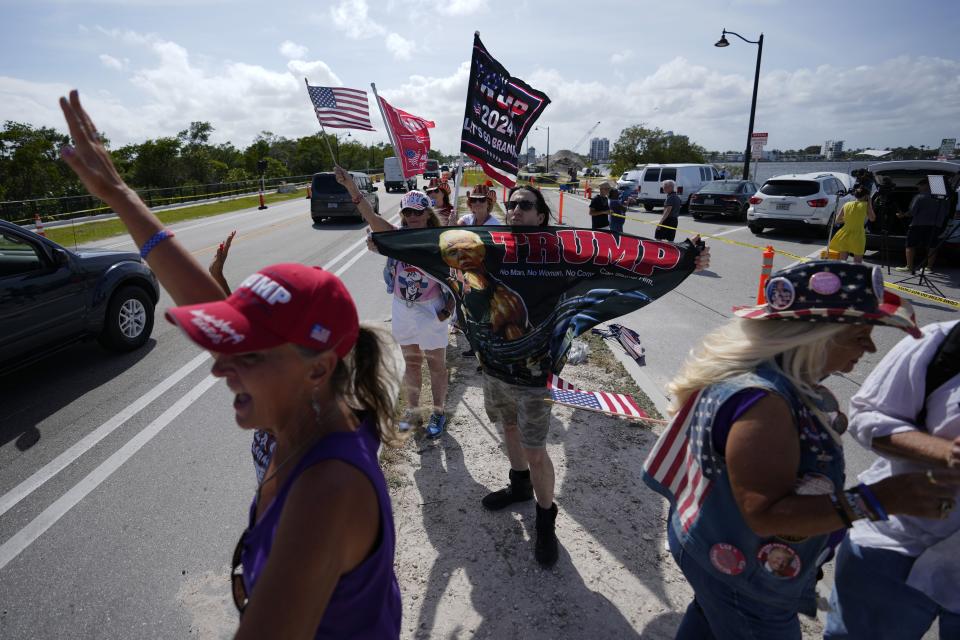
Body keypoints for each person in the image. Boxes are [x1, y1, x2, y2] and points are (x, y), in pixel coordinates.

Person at [58, 90, 402, 638]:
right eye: (231, 346)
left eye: (249, 353)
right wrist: (119, 194)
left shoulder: (326, 492)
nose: (220, 368)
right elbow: (202, 299)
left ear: (317, 368)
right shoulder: (318, 406)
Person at [642, 260, 960, 640]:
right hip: (748, 582)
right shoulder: (765, 401)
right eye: (861, 335)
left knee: (710, 620)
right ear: (817, 336)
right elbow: (766, 515)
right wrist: (880, 499)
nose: (872, 347)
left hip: (720, 557)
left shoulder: (770, 381)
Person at [825, 320, 960, 639]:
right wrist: (945, 453)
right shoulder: (942, 342)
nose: (867, 347)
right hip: (894, 551)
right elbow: (869, 416)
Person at [339, 167, 454, 438]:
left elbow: (459, 279)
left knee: (436, 364)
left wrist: (450, 307)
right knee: (411, 362)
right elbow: (370, 215)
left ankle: (438, 413)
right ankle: (413, 413)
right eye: (407, 212)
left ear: (428, 213)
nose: (413, 217)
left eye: (418, 211)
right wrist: (351, 187)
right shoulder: (396, 238)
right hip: (403, 307)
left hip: (433, 308)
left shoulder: (441, 241)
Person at [895, 179, 948, 273]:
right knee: (932, 246)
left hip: (917, 224)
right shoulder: (941, 198)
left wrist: (902, 215)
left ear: (926, 185)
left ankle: (909, 266)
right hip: (935, 225)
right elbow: (945, 212)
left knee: (910, 245)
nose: (918, 187)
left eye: (919, 185)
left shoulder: (919, 197)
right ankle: (929, 267)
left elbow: (912, 212)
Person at [828, 185, 876, 263]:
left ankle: (841, 273)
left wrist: (848, 219)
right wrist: (870, 203)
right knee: (857, 261)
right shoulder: (866, 205)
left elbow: (837, 220)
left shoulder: (847, 204)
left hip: (844, 233)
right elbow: (872, 218)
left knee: (842, 259)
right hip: (858, 234)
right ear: (866, 196)